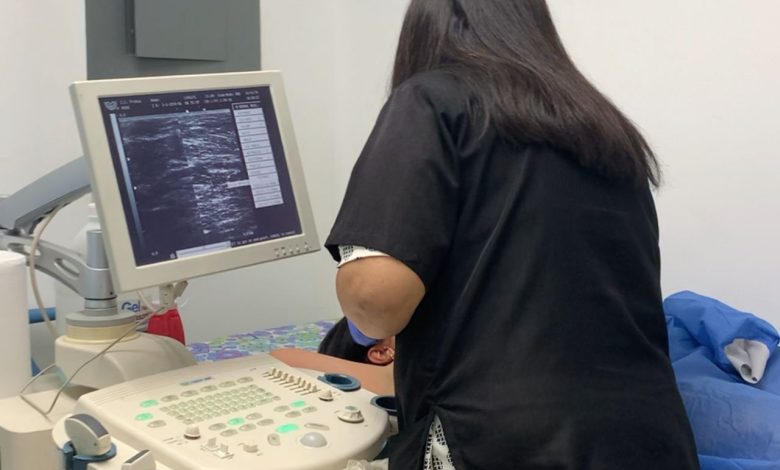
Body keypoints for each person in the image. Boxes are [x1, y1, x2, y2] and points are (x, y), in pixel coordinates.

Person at [324, 0, 700, 469]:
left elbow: (376, 299)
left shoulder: (433, 101)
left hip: (501, 444)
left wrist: (361, 321)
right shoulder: (605, 127)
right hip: (651, 441)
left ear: (426, 30)